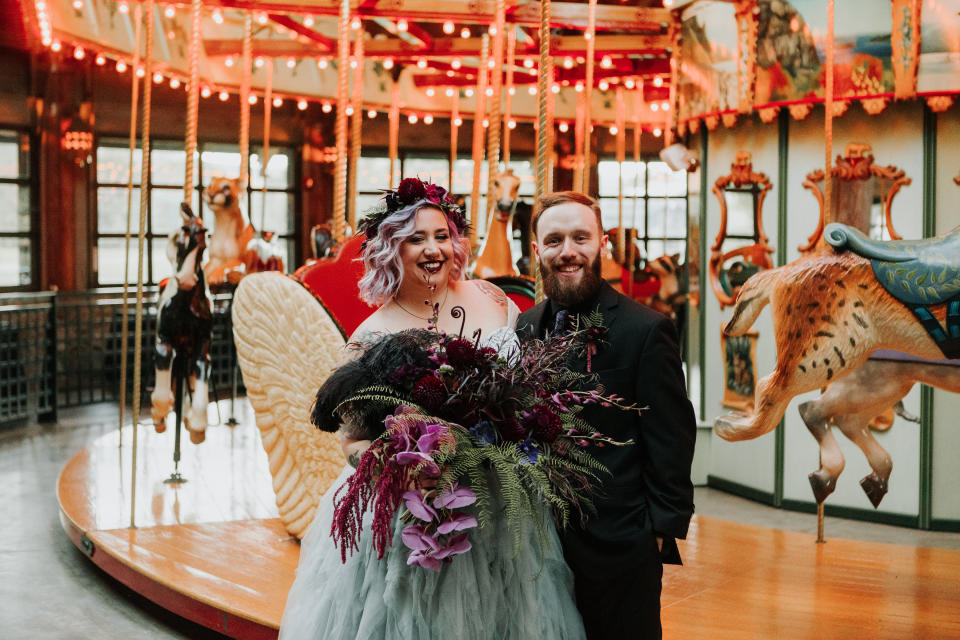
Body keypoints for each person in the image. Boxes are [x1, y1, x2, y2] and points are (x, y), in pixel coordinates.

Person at [279, 178, 586, 639]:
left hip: (497, 505)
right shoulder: (372, 334)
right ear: (391, 250)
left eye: (441, 236)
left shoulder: (491, 299)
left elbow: (525, 385)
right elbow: (350, 442)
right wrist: (402, 464)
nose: (432, 249)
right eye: (415, 239)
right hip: (413, 518)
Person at [516, 191, 696, 640]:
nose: (568, 251)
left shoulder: (645, 329)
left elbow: (671, 436)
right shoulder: (523, 327)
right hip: (538, 543)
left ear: (602, 244)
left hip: (619, 540)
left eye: (581, 237)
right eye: (554, 240)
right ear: (537, 251)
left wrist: (657, 531)